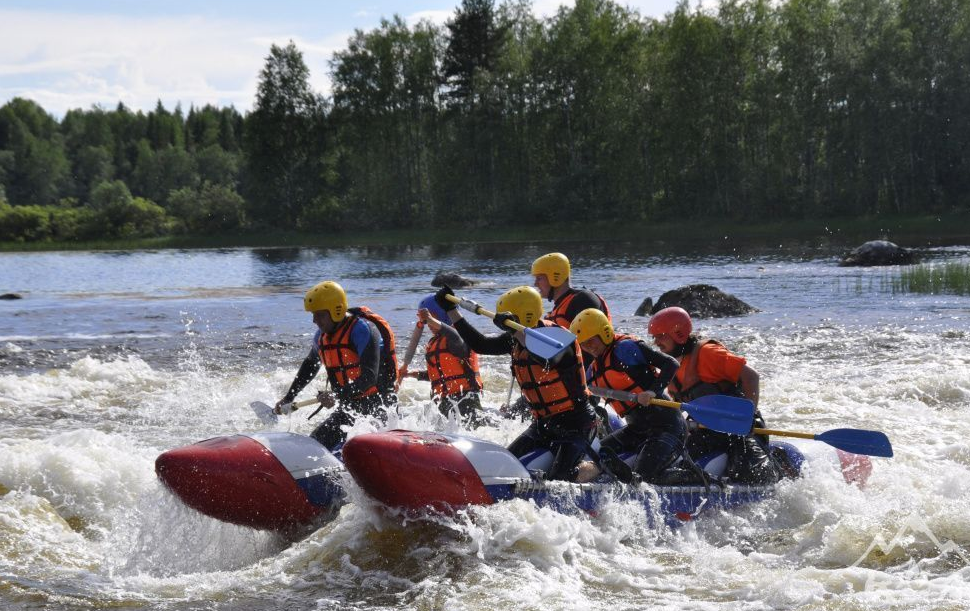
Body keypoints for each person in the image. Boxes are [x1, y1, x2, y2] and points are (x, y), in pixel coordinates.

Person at [436, 284, 596, 482]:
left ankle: (598, 467)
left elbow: (547, 359)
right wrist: (452, 311)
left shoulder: (559, 339)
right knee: (504, 464)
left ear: (524, 316)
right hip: (543, 425)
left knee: (561, 477)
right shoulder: (515, 339)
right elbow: (481, 345)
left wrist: (515, 332)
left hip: (577, 424)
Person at [648, 306, 779, 484]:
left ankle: (779, 461)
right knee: (671, 464)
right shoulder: (669, 366)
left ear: (678, 334)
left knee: (754, 474)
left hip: (739, 428)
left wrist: (745, 419)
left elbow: (751, 377)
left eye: (661, 336)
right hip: (707, 431)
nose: (656, 342)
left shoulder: (708, 353)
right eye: (654, 337)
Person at [275, 281, 398, 450]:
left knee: (358, 448)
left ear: (336, 311)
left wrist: (336, 395)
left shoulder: (362, 330)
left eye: (319, 315)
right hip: (350, 407)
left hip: (379, 405)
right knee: (314, 445)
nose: (314, 320)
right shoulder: (321, 336)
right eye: (313, 315)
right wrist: (289, 397)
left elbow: (370, 378)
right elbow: (310, 365)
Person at [568, 308, 686, 484]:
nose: (588, 347)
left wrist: (652, 391)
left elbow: (671, 363)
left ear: (605, 333)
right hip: (636, 428)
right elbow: (585, 401)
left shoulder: (626, 348)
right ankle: (613, 480)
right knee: (597, 452)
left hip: (666, 426)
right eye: (583, 344)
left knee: (644, 478)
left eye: (591, 341)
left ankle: (693, 475)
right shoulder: (593, 370)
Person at [398, 294, 485, 426]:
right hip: (442, 402)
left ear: (442, 314)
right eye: (426, 321)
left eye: (432, 317)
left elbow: (453, 335)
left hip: (465, 400)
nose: (429, 324)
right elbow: (441, 375)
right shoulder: (436, 341)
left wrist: (431, 320)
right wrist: (412, 374)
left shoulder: (460, 336)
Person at [531, 252, 611, 329]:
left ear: (555, 277)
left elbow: (590, 340)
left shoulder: (584, 299)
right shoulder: (557, 308)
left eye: (539, 278)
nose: (535, 284)